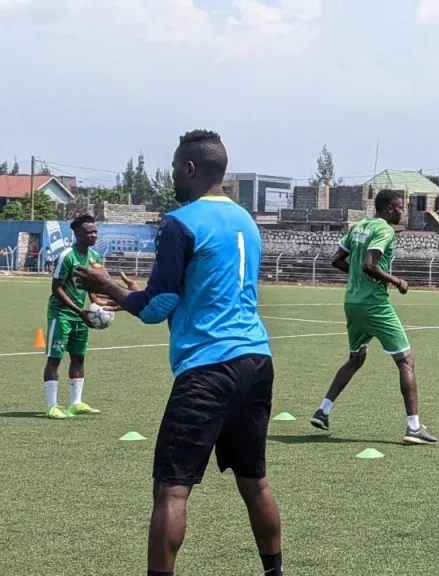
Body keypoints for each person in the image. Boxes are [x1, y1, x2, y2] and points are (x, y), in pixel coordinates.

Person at [74, 130, 284, 576]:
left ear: (190, 168)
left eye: (173, 167)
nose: (171, 175)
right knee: (255, 483)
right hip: (256, 361)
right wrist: (141, 294)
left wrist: (108, 287)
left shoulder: (180, 221)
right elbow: (198, 291)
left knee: (171, 491)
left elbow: (158, 308)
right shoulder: (247, 221)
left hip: (208, 366)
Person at [310, 189, 437, 445]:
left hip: (352, 302)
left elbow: (337, 261)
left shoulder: (358, 227)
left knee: (356, 358)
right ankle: (413, 427)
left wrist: (357, 276)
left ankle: (323, 411)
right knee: (405, 361)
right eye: (400, 207)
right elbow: (370, 265)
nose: (403, 211)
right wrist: (397, 281)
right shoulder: (384, 230)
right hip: (374, 305)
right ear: (389, 209)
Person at [43, 213, 105, 419]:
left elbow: (91, 288)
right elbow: (57, 289)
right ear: (77, 234)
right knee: (55, 358)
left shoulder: (94, 258)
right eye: (89, 232)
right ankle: (52, 406)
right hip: (62, 313)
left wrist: (98, 305)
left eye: (95, 232)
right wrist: (80, 311)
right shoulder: (66, 256)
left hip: (81, 315)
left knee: (78, 358)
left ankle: (75, 403)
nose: (94, 235)